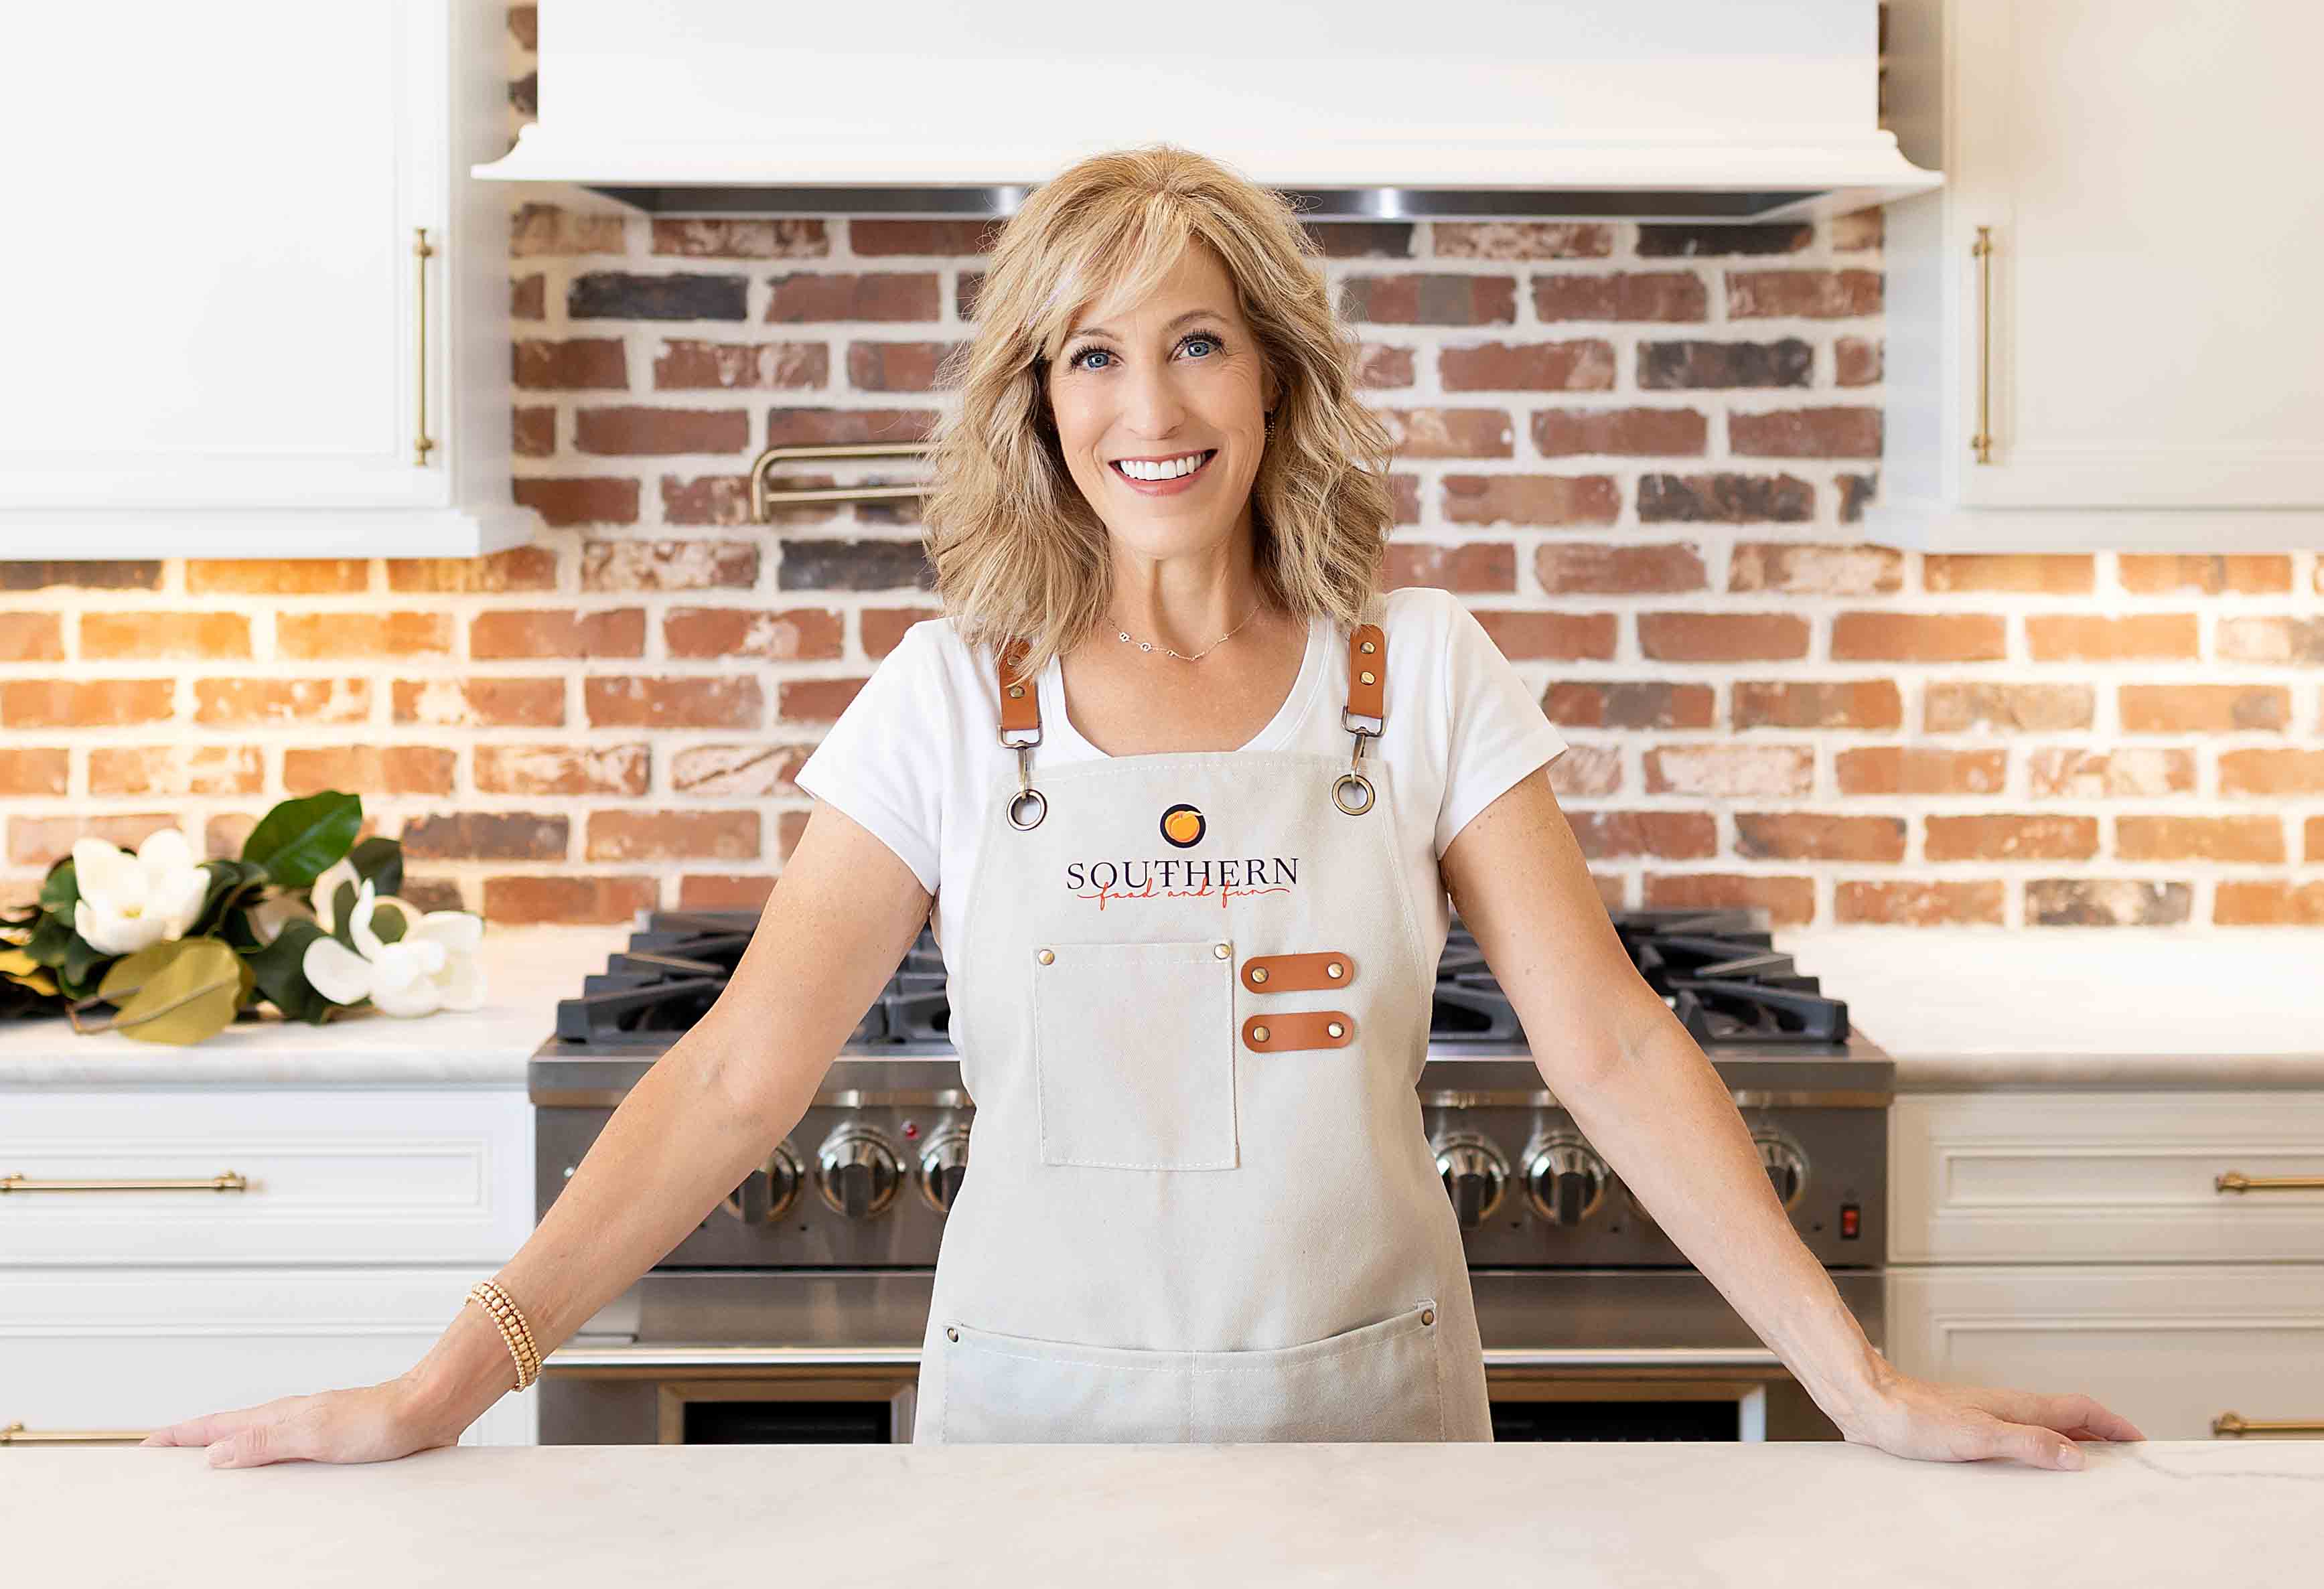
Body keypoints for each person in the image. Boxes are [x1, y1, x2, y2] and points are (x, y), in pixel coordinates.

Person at [145, 143, 2142, 1467]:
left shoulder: (1419, 669)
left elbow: (1612, 1043)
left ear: (1275, 378)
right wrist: (445, 1382)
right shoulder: (952, 695)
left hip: (1378, 1437)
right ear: (1038, 398)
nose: (1149, 406)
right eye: (1093, 354)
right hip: (1027, 1445)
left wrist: (1855, 1385)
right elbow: (742, 1075)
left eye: (1197, 342)